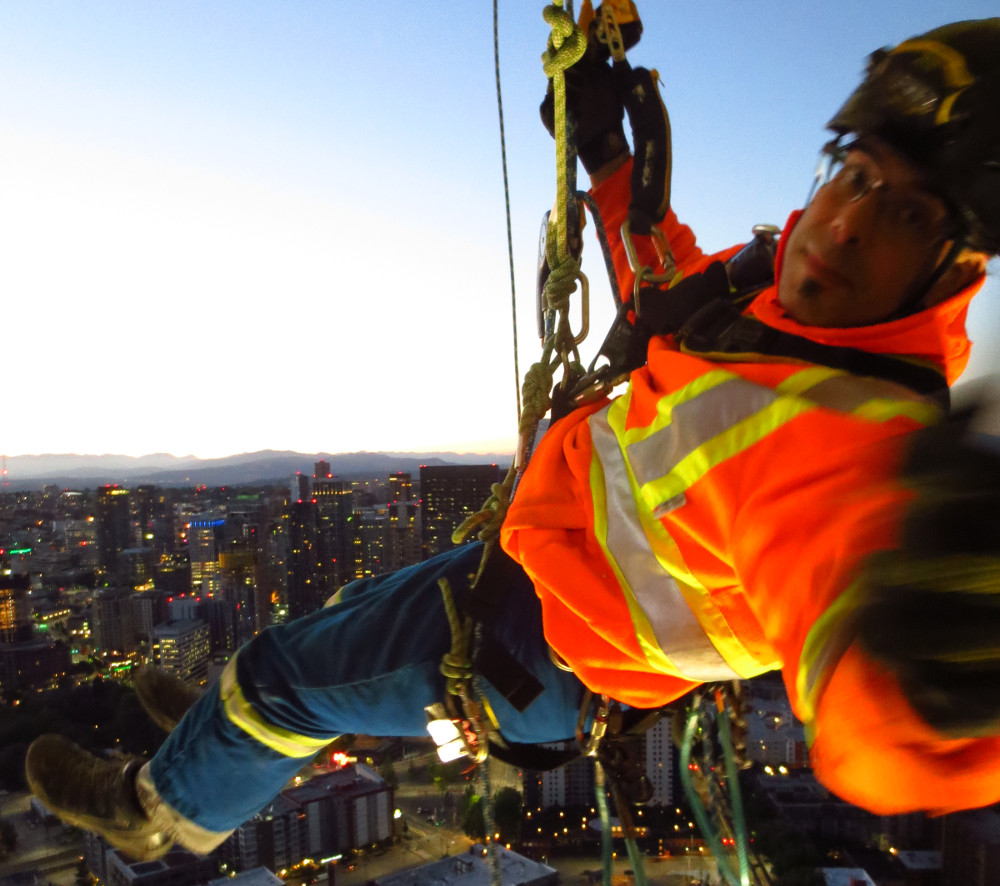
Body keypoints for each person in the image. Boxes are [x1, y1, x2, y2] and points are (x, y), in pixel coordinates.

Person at [26, 13, 1000, 862]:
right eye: (856, 174)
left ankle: (158, 810)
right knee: (335, 620)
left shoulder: (843, 448)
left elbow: (871, 721)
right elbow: (672, 288)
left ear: (955, 261)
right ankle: (213, 733)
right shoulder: (789, 297)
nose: (844, 224)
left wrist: (940, 686)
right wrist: (610, 153)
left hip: (541, 651)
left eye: (907, 210)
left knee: (278, 681)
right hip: (533, 569)